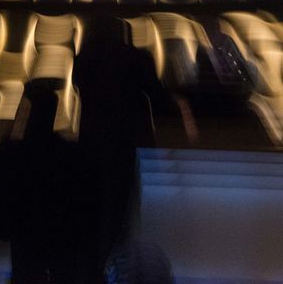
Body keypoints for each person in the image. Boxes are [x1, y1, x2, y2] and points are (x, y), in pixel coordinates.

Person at [72, 16, 194, 283]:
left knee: (90, 214)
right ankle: (116, 272)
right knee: (119, 213)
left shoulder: (83, 59)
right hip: (123, 145)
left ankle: (91, 273)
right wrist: (183, 107)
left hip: (89, 145)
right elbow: (158, 97)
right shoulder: (136, 58)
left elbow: (78, 88)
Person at [0, 83, 86, 283]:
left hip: (24, 239)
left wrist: (2, 229)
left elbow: (2, 196)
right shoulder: (69, 153)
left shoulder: (11, 151)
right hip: (59, 241)